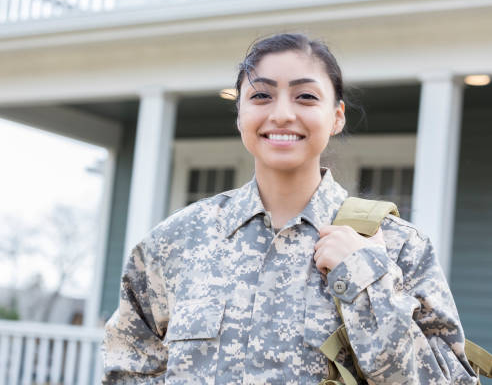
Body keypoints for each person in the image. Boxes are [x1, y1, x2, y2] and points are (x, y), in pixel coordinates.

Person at [101, 33, 478, 384]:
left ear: (337, 116)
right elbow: (128, 368)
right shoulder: (176, 241)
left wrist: (366, 279)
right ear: (239, 116)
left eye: (306, 97)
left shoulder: (397, 246)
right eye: (261, 96)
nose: (281, 114)